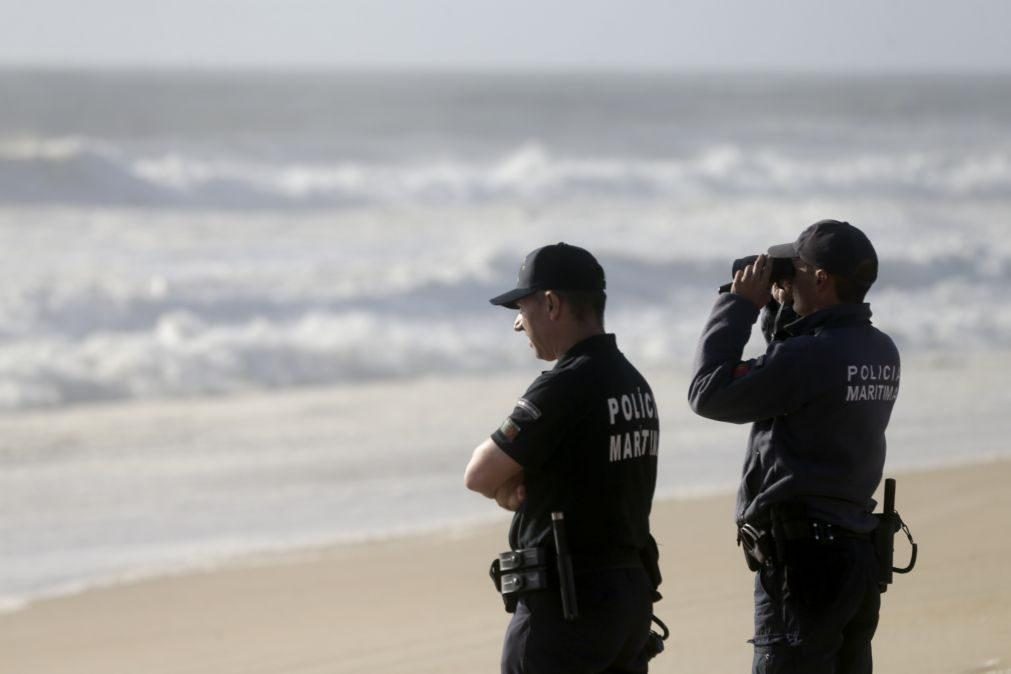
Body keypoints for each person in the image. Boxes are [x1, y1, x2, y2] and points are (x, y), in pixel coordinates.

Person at [688, 220, 900, 673]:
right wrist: (781, 308)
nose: (787, 278)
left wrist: (738, 306)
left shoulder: (811, 357)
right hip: (854, 556)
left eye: (796, 269)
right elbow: (790, 376)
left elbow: (708, 393)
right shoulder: (879, 350)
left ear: (821, 279)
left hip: (804, 567)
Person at [464, 242, 662, 674]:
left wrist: (508, 490)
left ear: (551, 303)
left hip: (568, 608)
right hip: (627, 601)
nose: (518, 324)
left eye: (522, 307)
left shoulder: (565, 386)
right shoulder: (634, 384)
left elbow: (478, 474)